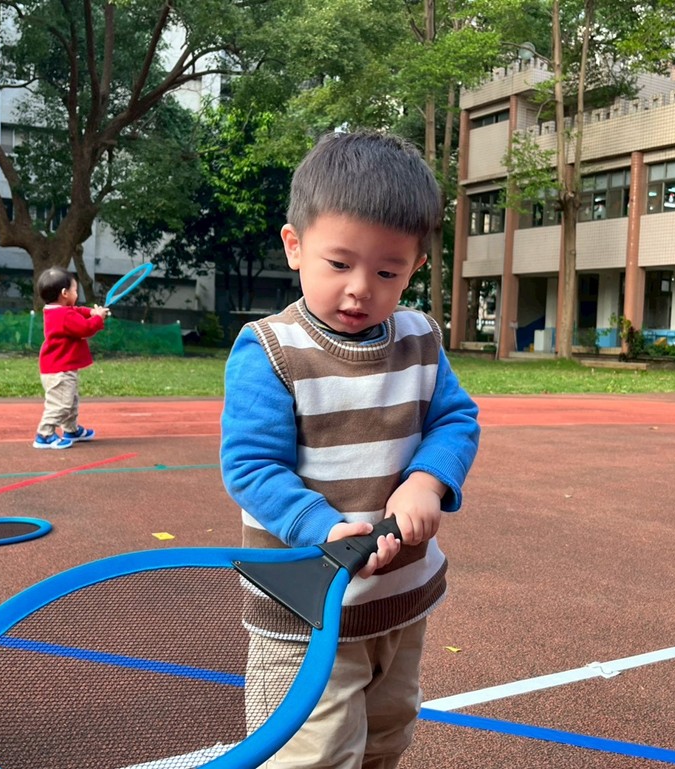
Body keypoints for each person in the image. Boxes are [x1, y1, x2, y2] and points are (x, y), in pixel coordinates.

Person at [220, 130, 481, 769]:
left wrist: (426, 481)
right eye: (339, 264)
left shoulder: (420, 338)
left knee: (387, 739)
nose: (361, 288)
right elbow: (251, 466)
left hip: (400, 598)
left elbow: (456, 419)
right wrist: (324, 529)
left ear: (415, 266)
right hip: (306, 613)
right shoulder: (271, 350)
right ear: (294, 245)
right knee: (310, 758)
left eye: (388, 271)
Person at [32, 267, 109, 449]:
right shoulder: (64, 315)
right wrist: (98, 318)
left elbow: (76, 310)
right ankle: (44, 435)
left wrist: (90, 312)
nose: (76, 293)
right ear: (64, 293)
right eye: (75, 290)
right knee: (61, 405)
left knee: (70, 401)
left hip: (59, 367)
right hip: (60, 370)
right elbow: (85, 329)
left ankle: (71, 430)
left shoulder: (55, 310)